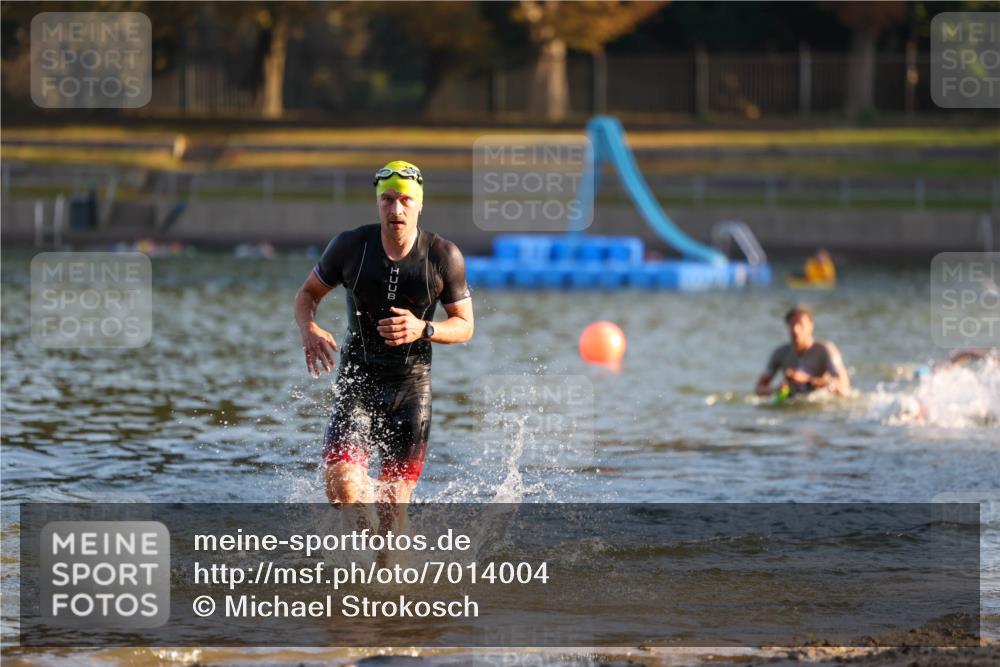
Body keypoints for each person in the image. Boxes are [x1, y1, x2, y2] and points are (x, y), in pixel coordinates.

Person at [293, 160, 474, 537]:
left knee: (393, 508)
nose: (396, 210)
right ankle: (361, 547)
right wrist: (309, 328)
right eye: (387, 200)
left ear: (419, 205)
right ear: (377, 203)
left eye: (405, 200)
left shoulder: (443, 256)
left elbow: (465, 326)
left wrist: (423, 327)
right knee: (341, 488)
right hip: (358, 379)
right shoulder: (351, 246)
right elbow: (308, 294)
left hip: (410, 388)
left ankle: (386, 576)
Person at [755, 304, 851, 398]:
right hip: (792, 403)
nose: (796, 330)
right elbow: (758, 389)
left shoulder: (825, 350)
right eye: (792, 324)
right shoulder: (780, 353)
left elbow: (844, 388)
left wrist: (808, 380)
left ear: (811, 326)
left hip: (819, 404)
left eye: (800, 324)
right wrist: (776, 389)